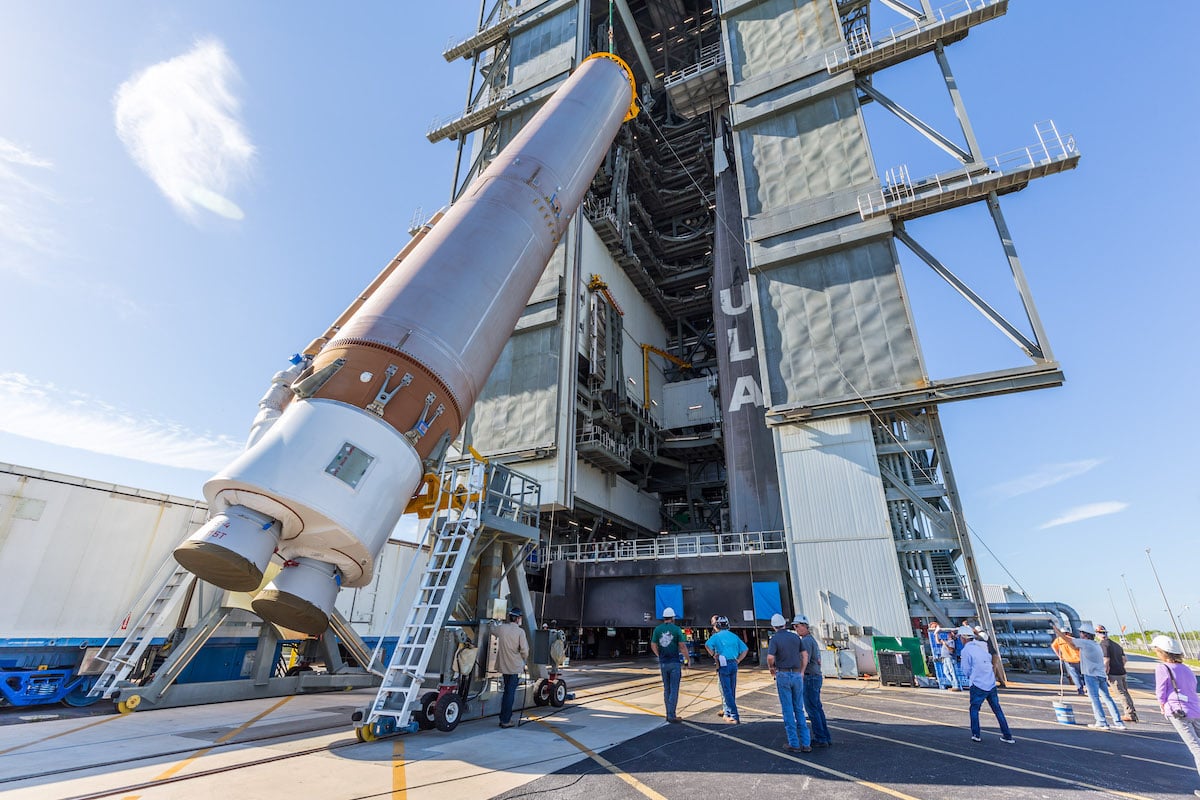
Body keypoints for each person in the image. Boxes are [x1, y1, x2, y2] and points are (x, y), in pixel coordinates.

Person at [1051, 621, 1126, 730]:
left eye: (1081, 632)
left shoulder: (1085, 643)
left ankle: (1101, 722)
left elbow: (1068, 640)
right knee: (1107, 698)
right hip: (1101, 675)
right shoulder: (1095, 645)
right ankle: (1119, 722)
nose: (1080, 634)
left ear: (1085, 634)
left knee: (1094, 698)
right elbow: (1072, 645)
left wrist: (1056, 630)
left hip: (1091, 675)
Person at [1151, 634, 1200, 797]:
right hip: (1196, 710)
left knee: (1196, 748)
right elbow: (1192, 688)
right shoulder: (1187, 669)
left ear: (1161, 652)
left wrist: (1163, 706)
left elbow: (1160, 691)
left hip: (1178, 711)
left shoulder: (1162, 668)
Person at [959, 625, 1015, 744]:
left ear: (963, 638)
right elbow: (991, 658)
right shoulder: (982, 646)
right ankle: (1007, 735)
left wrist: (971, 677)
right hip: (990, 682)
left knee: (974, 709)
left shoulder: (966, 650)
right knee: (997, 710)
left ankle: (976, 734)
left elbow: (965, 669)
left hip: (978, 684)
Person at [767, 613, 810, 753]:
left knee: (787, 709)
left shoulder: (774, 639)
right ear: (785, 624)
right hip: (797, 674)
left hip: (783, 674)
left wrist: (771, 669)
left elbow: (770, 657)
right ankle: (806, 743)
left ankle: (794, 743)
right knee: (799, 708)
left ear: (774, 626)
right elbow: (804, 655)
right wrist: (802, 671)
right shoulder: (795, 637)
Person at [793, 614, 830, 747]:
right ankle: (825, 736)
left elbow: (804, 659)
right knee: (817, 708)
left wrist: (798, 672)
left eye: (797, 626)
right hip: (815, 676)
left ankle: (821, 738)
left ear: (804, 626)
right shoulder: (811, 640)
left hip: (810, 677)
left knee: (812, 709)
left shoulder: (806, 641)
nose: (796, 629)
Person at [705, 615, 748, 723]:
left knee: (726, 691)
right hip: (734, 663)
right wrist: (738, 660)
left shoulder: (716, 636)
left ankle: (734, 715)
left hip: (723, 664)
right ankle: (728, 712)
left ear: (717, 625)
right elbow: (745, 649)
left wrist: (714, 654)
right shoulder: (734, 636)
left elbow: (707, 645)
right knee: (731, 689)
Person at [650, 607, 690, 723]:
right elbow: (682, 646)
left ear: (663, 618)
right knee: (674, 689)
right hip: (674, 663)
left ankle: (668, 713)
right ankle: (672, 715)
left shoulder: (657, 630)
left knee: (666, 689)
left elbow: (653, 645)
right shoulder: (677, 629)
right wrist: (687, 659)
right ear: (672, 618)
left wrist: (659, 655)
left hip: (663, 663)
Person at [495, 607, 530, 729]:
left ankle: (503, 718)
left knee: (506, 692)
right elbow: (525, 650)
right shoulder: (520, 632)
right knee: (510, 693)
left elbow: (492, 630)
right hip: (515, 666)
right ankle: (506, 720)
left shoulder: (502, 628)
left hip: (504, 666)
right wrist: (524, 659)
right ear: (518, 618)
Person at [1097, 624, 1139, 723]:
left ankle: (1129, 714)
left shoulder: (1103, 645)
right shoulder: (1116, 645)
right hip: (1121, 671)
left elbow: (1106, 660)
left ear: (1098, 634)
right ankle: (1132, 712)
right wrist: (1120, 666)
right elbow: (1124, 659)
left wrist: (1105, 672)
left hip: (1113, 673)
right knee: (1125, 692)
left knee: (1120, 693)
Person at [1051, 627, 1086, 695]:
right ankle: (1087, 687)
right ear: (1069, 633)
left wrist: (1059, 655)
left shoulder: (1058, 640)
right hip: (1079, 659)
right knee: (1084, 675)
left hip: (1068, 660)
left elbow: (1053, 646)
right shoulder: (1073, 639)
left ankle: (1080, 690)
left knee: (1075, 676)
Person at [936, 625, 962, 691]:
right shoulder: (947, 641)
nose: (948, 635)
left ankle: (956, 685)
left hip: (949, 658)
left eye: (949, 634)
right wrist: (936, 634)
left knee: (952, 671)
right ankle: (953, 683)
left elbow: (951, 650)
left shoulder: (951, 642)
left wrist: (945, 645)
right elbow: (938, 641)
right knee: (946, 672)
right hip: (945, 658)